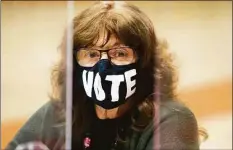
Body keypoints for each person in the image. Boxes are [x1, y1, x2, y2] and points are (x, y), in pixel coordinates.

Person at [6, 1, 201, 150]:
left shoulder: (171, 118)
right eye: (91, 54)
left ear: (145, 62)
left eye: (120, 53)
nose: (103, 67)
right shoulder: (61, 112)